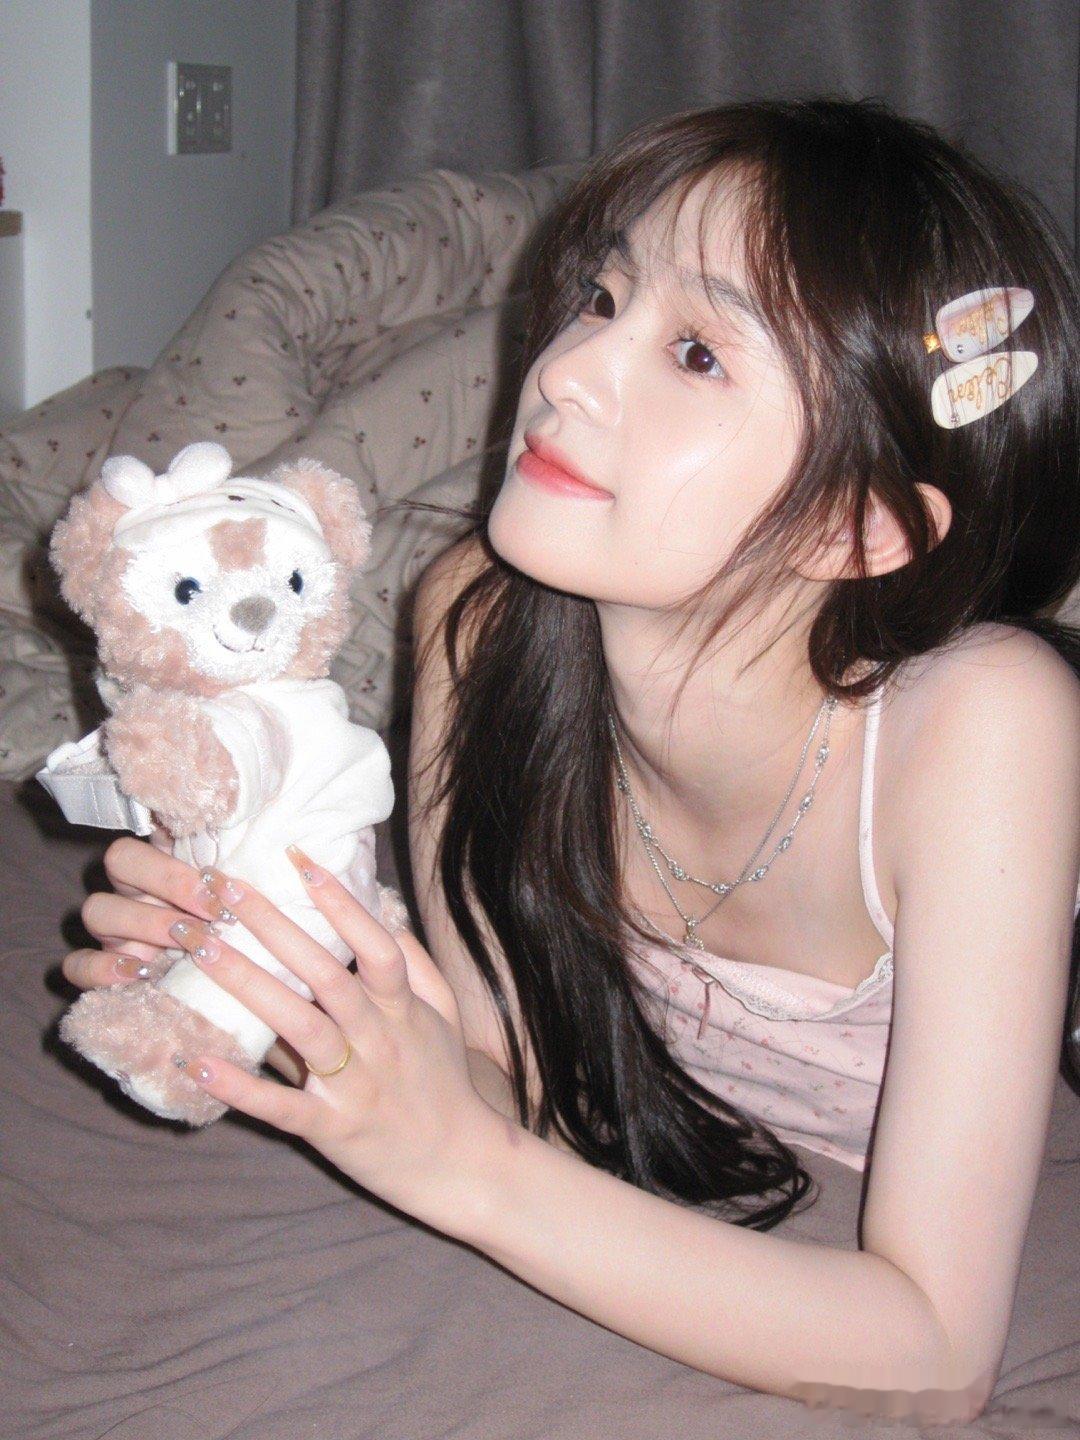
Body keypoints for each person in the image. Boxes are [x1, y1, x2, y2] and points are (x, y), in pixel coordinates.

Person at [61, 99, 1080, 1424]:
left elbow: (938, 1353)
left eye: (698, 353)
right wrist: (295, 1002)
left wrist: (469, 1171)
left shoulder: (984, 726)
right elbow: (505, 1076)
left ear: (855, 525)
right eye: (603, 297)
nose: (569, 371)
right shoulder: (475, 623)